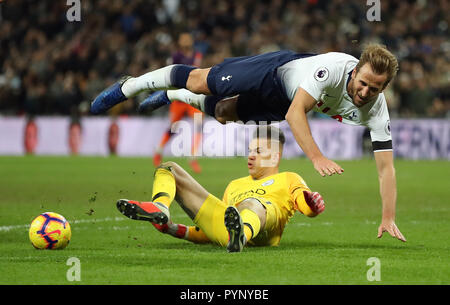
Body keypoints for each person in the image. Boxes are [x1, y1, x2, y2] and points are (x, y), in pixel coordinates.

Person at [91, 43, 406, 242]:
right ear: (355, 72)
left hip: (281, 100)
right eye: (363, 83)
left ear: (384, 89)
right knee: (203, 81)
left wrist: (388, 216)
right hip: (273, 72)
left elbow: (386, 169)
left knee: (225, 112)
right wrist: (316, 158)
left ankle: (173, 96)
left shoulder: (377, 111)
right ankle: (131, 85)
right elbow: (297, 113)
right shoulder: (333, 70)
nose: (365, 93)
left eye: (374, 89)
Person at [116, 126, 325, 252]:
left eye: (259, 151)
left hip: (264, 233)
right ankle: (160, 207)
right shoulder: (235, 185)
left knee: (252, 204)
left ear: (275, 156)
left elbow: (306, 207)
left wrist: (313, 205)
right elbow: (215, 230)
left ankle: (241, 236)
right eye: (250, 150)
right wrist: (173, 229)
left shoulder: (289, 178)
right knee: (168, 168)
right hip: (230, 235)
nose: (250, 155)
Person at [152, 33, 203, 173]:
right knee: (174, 127)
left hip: (192, 96)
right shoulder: (175, 57)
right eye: (183, 39)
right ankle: (158, 151)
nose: (186, 41)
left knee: (199, 124)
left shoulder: (197, 55)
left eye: (188, 39)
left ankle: (193, 157)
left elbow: (196, 73)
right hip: (178, 97)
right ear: (180, 42)